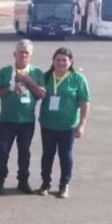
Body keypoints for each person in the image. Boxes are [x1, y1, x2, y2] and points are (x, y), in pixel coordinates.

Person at [0, 39, 46, 195]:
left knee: (24, 152)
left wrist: (27, 80)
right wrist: (10, 88)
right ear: (14, 54)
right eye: (20, 52)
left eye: (26, 53)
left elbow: (41, 94)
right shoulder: (5, 71)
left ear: (31, 56)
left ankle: (23, 181)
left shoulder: (36, 73)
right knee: (3, 152)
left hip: (26, 122)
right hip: (7, 121)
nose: (23, 55)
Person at [37, 47, 90, 198]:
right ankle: (45, 183)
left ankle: (64, 185)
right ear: (53, 61)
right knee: (47, 154)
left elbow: (85, 102)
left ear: (70, 62)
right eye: (58, 60)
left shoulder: (78, 78)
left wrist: (82, 125)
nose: (61, 63)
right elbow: (37, 93)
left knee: (65, 155)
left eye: (64, 60)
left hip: (68, 126)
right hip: (47, 124)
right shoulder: (46, 77)